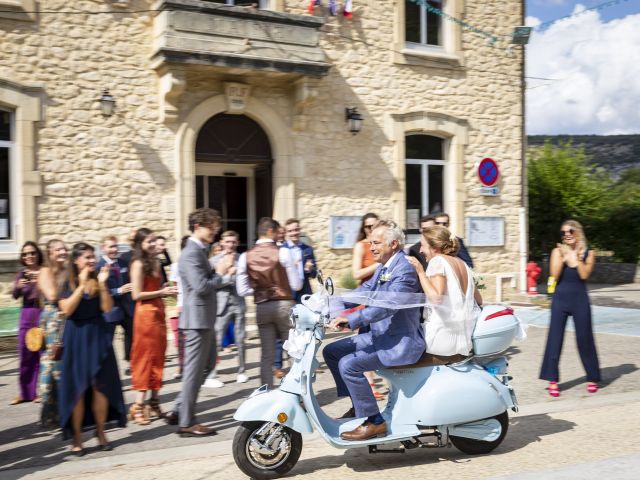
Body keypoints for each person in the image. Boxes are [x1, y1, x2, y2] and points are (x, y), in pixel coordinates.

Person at [324, 220, 425, 441]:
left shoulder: (404, 270)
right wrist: (328, 302)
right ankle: (358, 404)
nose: (371, 248)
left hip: (400, 343)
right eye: (370, 243)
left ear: (394, 244)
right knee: (331, 351)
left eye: (376, 243)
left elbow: (385, 306)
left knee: (349, 365)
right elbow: (363, 292)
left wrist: (350, 320)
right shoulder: (384, 267)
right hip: (381, 336)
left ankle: (375, 422)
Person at [165, 208, 232, 437]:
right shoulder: (190, 253)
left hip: (204, 319)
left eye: (216, 225)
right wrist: (221, 273)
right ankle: (186, 422)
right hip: (195, 321)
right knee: (194, 371)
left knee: (210, 363)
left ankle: (178, 408)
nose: (215, 229)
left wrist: (216, 270)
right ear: (197, 226)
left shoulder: (200, 251)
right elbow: (201, 286)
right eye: (211, 225)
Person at [58, 242, 126, 455]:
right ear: (76, 260)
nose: (91, 261)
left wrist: (103, 285)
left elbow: (107, 308)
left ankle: (101, 432)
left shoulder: (99, 279)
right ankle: (77, 439)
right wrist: (80, 285)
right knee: (77, 391)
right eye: (86, 257)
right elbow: (68, 310)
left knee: (101, 388)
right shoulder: (66, 281)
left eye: (92, 257)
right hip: (76, 337)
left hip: (99, 336)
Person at [236, 217, 302, 388]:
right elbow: (297, 284)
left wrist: (260, 291)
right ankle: (297, 393)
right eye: (278, 232)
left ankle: (266, 392)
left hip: (262, 307)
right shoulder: (283, 252)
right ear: (271, 231)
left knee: (266, 355)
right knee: (293, 351)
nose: (280, 236)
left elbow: (242, 290)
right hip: (284, 304)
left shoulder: (245, 256)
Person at [540, 220, 600, 397]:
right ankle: (552, 379)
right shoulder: (557, 251)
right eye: (563, 232)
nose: (566, 234)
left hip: (580, 300)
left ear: (578, 232)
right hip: (560, 300)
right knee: (555, 339)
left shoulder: (589, 253)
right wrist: (564, 257)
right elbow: (554, 274)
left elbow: (583, 274)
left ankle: (592, 377)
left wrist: (575, 258)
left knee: (585, 339)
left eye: (570, 231)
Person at [406, 226, 483, 358]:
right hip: (463, 338)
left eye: (423, 246)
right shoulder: (462, 264)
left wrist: (420, 271)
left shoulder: (438, 261)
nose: (420, 250)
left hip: (441, 336)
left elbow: (436, 298)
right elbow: (479, 300)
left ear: (434, 248)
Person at [128, 228, 178, 424]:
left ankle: (154, 401)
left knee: (158, 356)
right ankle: (138, 405)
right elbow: (136, 295)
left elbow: (161, 289)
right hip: (144, 314)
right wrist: (162, 292)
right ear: (141, 244)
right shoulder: (138, 263)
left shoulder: (157, 261)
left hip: (158, 311)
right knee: (145, 358)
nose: (153, 244)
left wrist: (167, 292)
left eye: (154, 240)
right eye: (149, 241)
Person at [204, 230, 247, 387]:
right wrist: (229, 275)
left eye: (233, 242)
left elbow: (244, 279)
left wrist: (233, 275)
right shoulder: (213, 261)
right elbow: (211, 284)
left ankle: (242, 371)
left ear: (237, 242)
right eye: (227, 242)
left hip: (238, 302)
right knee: (216, 339)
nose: (230, 245)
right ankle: (212, 374)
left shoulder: (242, 259)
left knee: (241, 339)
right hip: (220, 304)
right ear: (221, 243)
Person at [37, 239, 68, 427]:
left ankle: (63, 408)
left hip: (65, 316)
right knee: (53, 361)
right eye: (58, 250)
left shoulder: (66, 270)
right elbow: (52, 296)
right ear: (50, 254)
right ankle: (49, 411)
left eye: (64, 248)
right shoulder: (46, 271)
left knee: (63, 363)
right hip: (53, 320)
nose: (63, 252)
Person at [11, 242, 44, 405]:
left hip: (40, 312)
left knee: (40, 354)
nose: (29, 256)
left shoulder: (44, 272)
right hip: (26, 313)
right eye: (25, 254)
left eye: (32, 253)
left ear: (37, 254)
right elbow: (15, 296)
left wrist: (40, 282)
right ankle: (25, 393)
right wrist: (18, 286)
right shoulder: (21, 273)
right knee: (25, 354)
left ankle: (40, 392)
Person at [96, 236, 134, 348]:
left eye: (115, 246)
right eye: (111, 246)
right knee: (107, 343)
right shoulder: (99, 267)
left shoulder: (123, 263)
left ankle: (132, 361)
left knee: (133, 338)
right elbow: (100, 290)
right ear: (103, 248)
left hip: (127, 309)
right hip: (110, 310)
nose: (114, 249)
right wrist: (119, 290)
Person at [113, 228, 137, 376]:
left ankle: (132, 361)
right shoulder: (125, 257)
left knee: (131, 334)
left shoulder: (142, 257)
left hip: (130, 302)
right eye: (132, 239)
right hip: (119, 302)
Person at [169, 235, 190, 380]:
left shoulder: (201, 262)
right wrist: (179, 304)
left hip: (196, 306)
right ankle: (181, 365)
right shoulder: (176, 266)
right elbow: (175, 288)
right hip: (183, 305)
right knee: (181, 340)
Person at [283, 218, 318, 303]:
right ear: (286, 233)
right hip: (288, 293)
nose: (294, 233)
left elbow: (314, 274)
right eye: (290, 231)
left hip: (305, 292)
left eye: (296, 230)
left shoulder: (308, 249)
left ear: (299, 230)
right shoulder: (282, 250)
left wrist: (309, 269)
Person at [352, 213, 380, 284]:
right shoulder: (361, 246)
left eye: (374, 226)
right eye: (368, 226)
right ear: (364, 229)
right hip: (367, 291)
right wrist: (379, 265)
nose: (371, 229)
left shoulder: (385, 244)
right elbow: (356, 274)